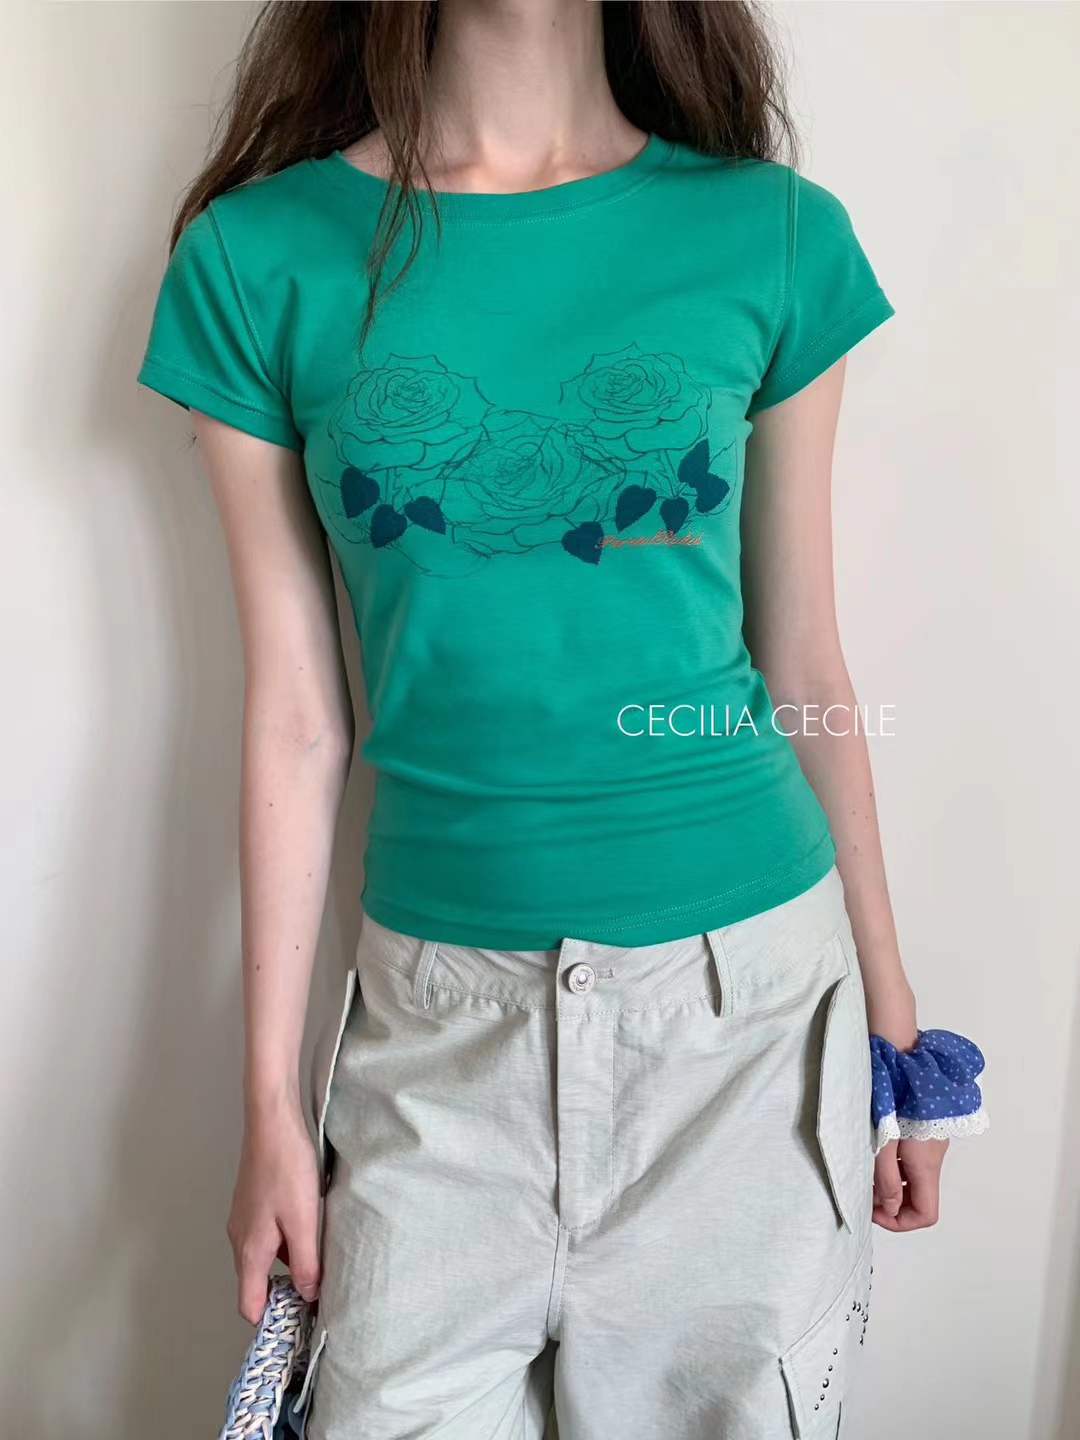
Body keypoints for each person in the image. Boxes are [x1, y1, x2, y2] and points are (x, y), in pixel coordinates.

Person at [138, 3, 987, 1435]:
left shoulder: (770, 235)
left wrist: (896, 1031)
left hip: (746, 1027)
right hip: (434, 1037)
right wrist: (272, 1103)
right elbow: (295, 716)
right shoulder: (256, 257)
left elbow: (805, 665)